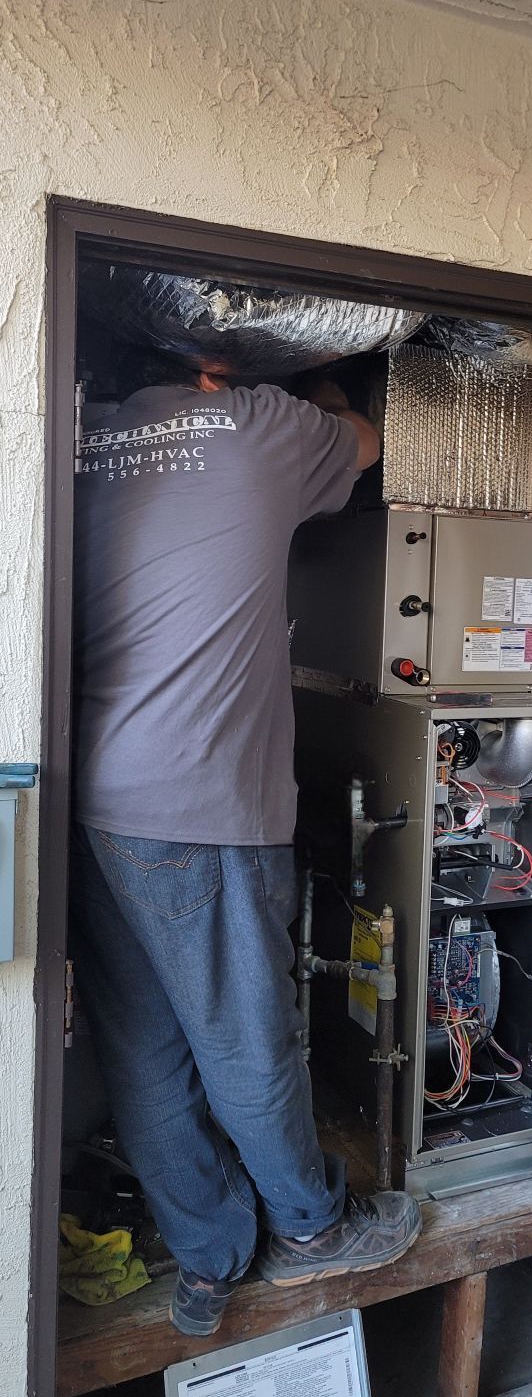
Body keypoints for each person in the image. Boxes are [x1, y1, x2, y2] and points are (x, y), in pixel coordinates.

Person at [69, 353, 421, 1337]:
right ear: (216, 371)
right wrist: (328, 393)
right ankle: (311, 1233)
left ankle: (210, 1256)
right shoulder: (259, 427)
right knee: (247, 1036)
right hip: (201, 804)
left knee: (143, 1050)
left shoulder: (81, 436)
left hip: (92, 801)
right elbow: (364, 442)